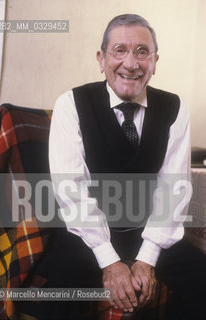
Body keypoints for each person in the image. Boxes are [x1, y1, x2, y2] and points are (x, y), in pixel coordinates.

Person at [49, 14, 206, 320]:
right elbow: (72, 190)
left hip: (148, 231)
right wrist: (109, 261)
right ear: (101, 58)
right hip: (86, 232)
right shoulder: (70, 104)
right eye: (119, 50)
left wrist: (147, 258)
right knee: (60, 287)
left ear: (155, 61)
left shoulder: (174, 107)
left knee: (201, 280)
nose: (131, 64)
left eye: (142, 52)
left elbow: (172, 192)